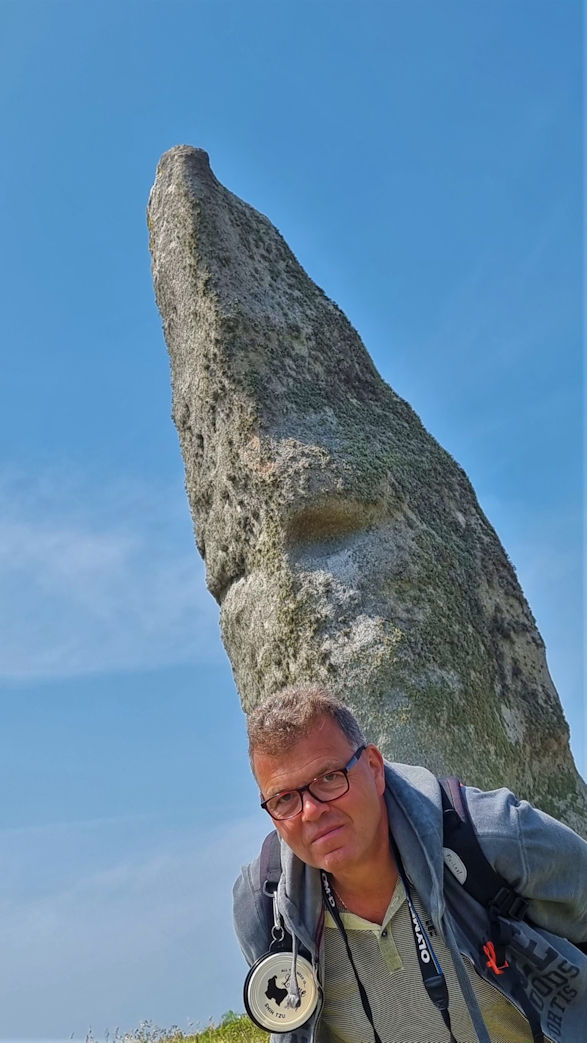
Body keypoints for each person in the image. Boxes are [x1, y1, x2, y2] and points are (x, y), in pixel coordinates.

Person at [233, 685, 587, 1043]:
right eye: (284, 799)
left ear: (374, 768)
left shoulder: (496, 835)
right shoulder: (266, 906)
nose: (311, 811)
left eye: (328, 778)